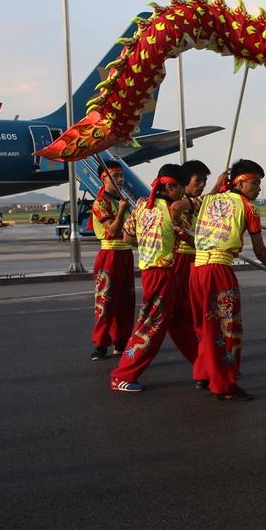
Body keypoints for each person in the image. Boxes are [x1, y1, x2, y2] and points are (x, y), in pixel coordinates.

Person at [191, 159, 266, 401]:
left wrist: (219, 186)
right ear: (240, 182)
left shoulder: (207, 200)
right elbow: (259, 248)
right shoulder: (248, 207)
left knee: (206, 326)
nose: (259, 188)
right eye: (255, 182)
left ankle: (203, 373)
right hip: (219, 270)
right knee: (228, 329)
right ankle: (224, 385)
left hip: (197, 269)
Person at [109, 164, 198, 393]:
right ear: (169, 186)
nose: (182, 193)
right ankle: (123, 375)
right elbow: (188, 237)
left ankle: (204, 367)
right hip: (162, 274)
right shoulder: (171, 210)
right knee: (151, 326)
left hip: (152, 271)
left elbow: (128, 238)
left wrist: (149, 244)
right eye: (179, 188)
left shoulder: (140, 206)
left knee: (181, 321)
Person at [89, 161, 134, 361]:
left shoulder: (125, 201)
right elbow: (112, 231)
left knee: (127, 301)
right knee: (105, 300)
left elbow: (131, 234)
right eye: (115, 176)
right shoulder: (100, 203)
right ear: (103, 178)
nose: (120, 180)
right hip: (109, 255)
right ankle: (101, 344)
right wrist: (123, 210)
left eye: (121, 176)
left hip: (126, 254)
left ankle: (121, 340)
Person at [174, 159, 210, 339]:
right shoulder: (180, 201)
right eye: (198, 181)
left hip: (197, 257)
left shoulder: (196, 202)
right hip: (181, 257)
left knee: (198, 305)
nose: (202, 185)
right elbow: (176, 209)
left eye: (205, 181)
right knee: (180, 306)